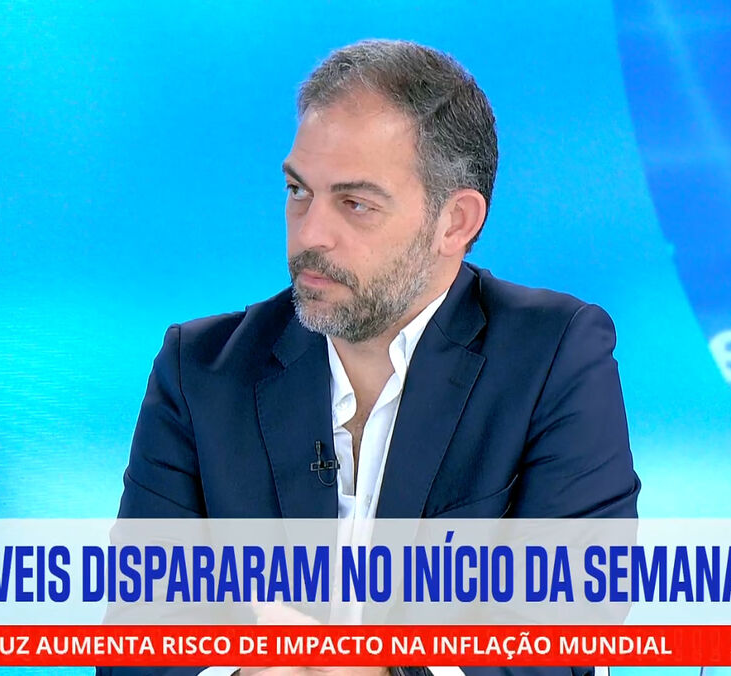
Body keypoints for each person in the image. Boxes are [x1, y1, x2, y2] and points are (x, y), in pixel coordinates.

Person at [104, 39, 640, 676]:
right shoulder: (201, 371)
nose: (310, 234)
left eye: (355, 203)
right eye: (298, 191)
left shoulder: (554, 356)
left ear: (455, 222)